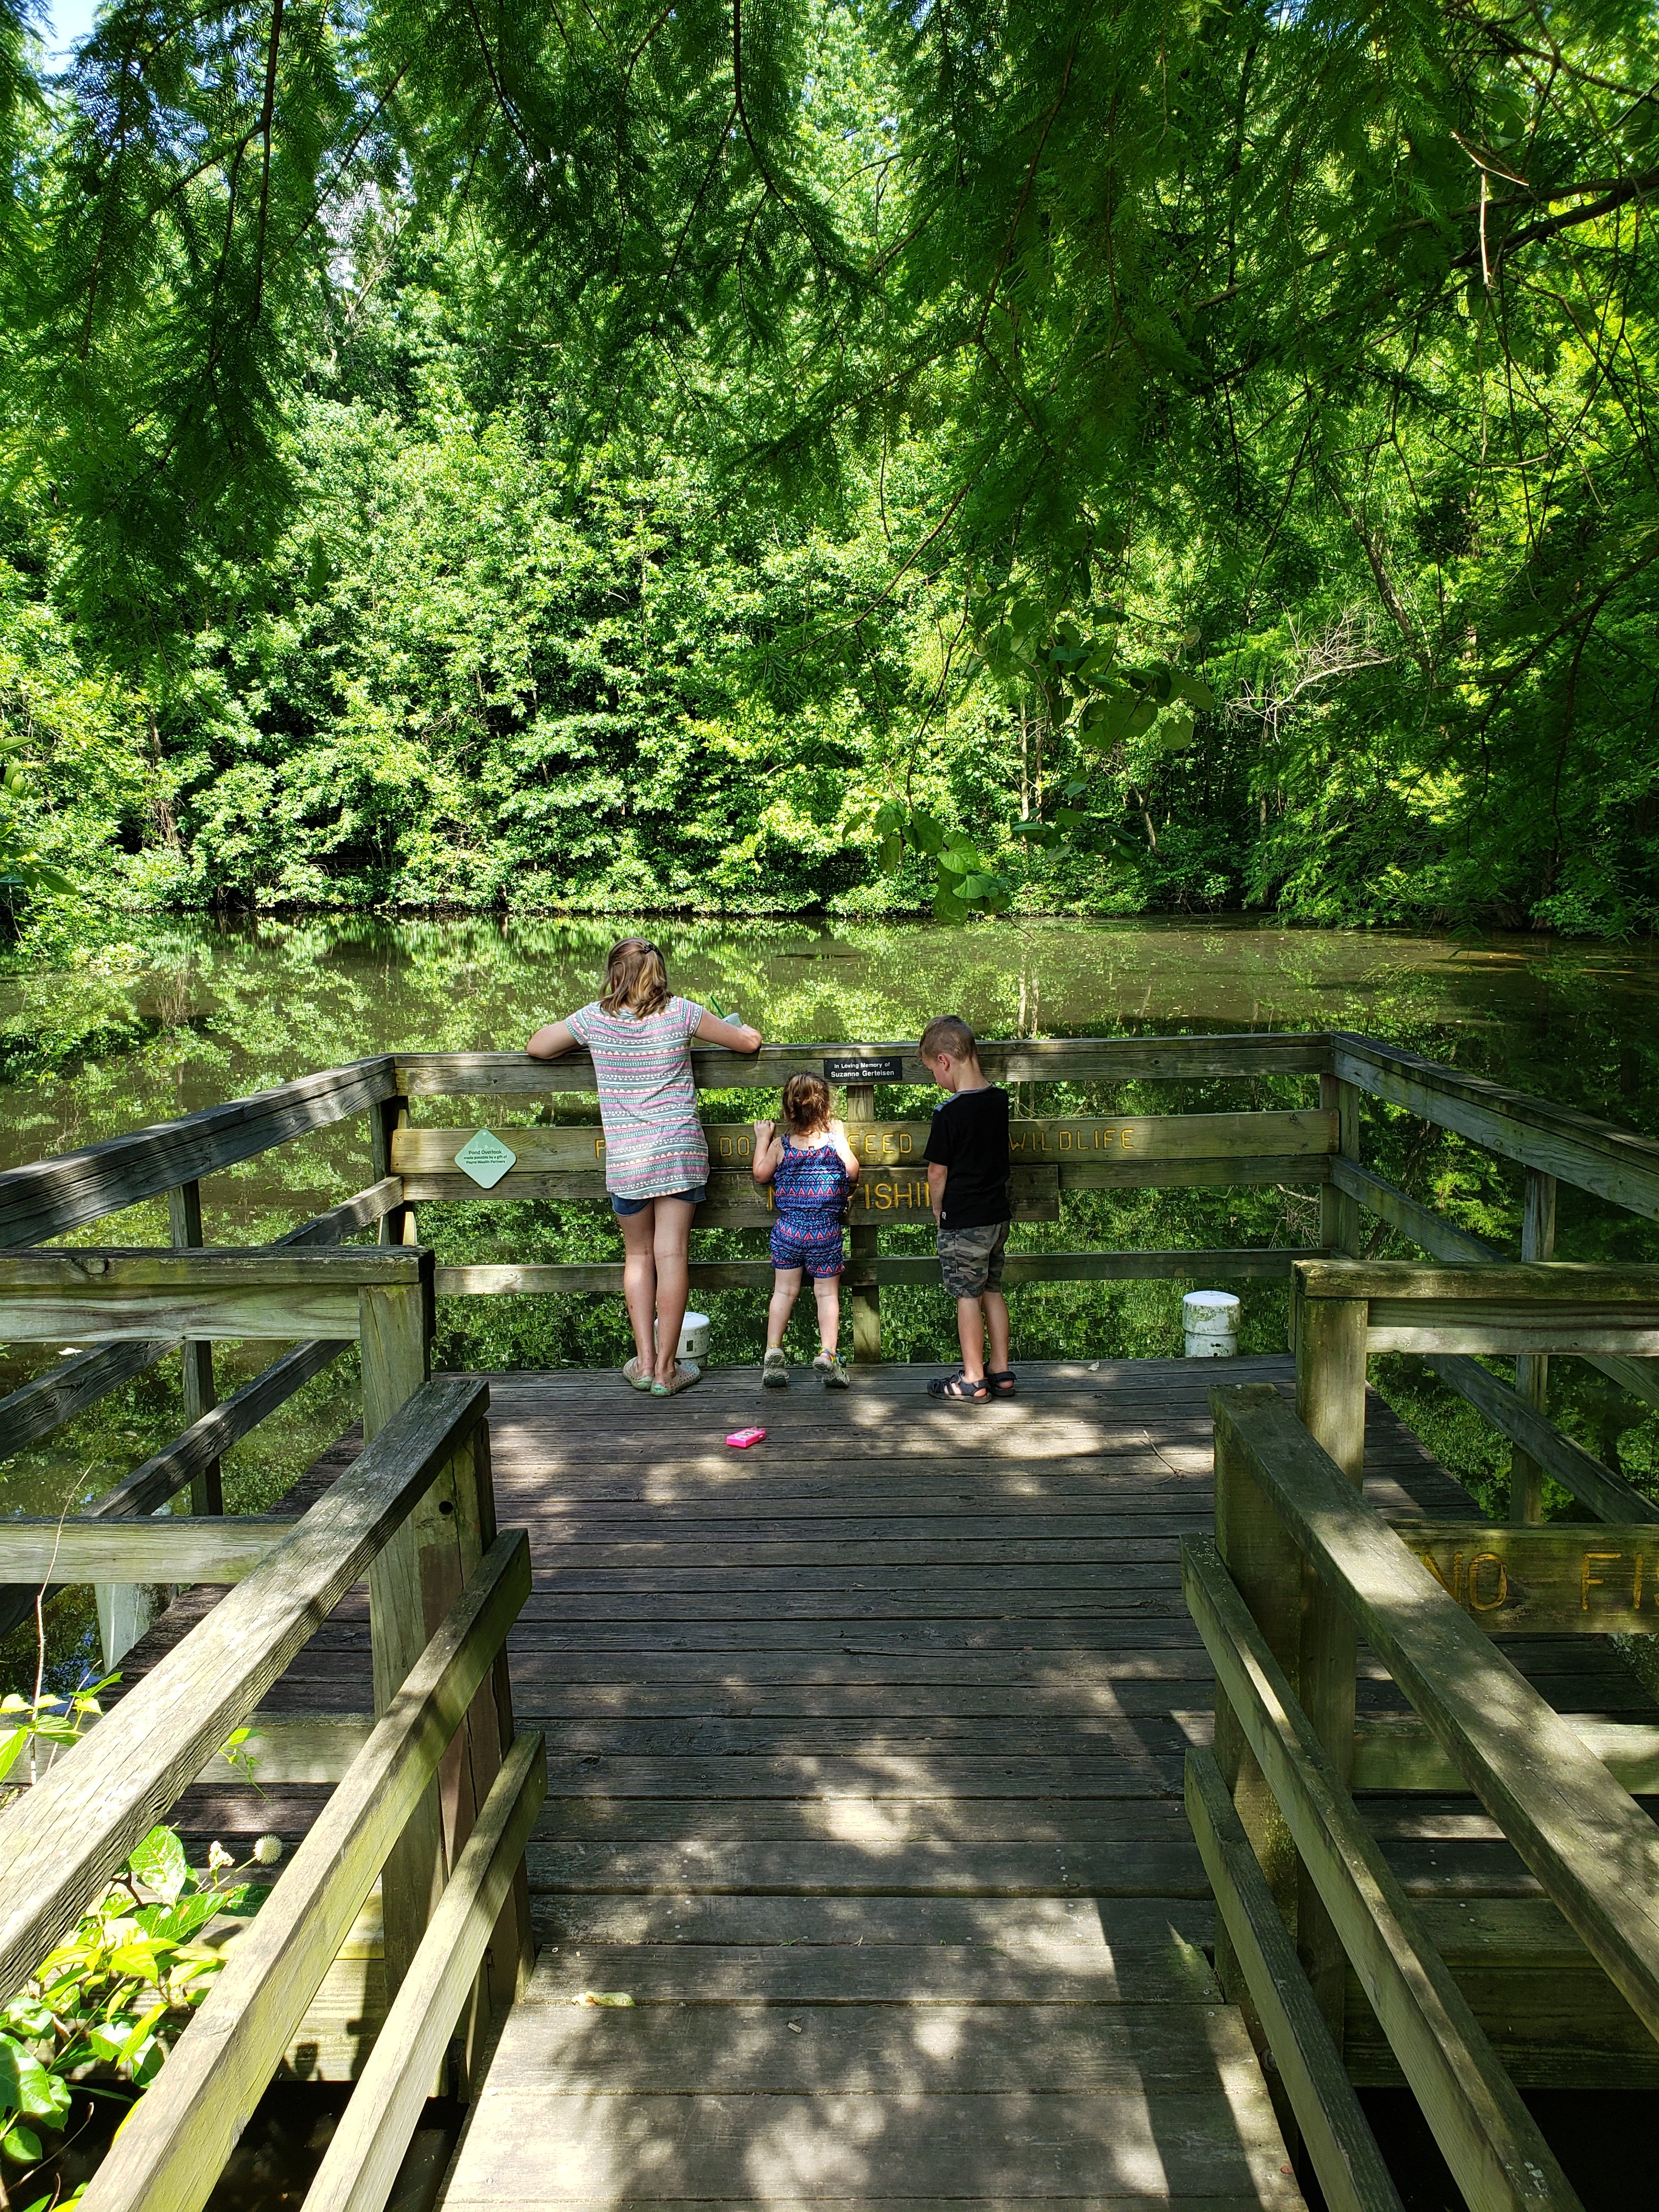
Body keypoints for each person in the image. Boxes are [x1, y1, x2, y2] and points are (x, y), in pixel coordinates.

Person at [526, 939, 761, 1395]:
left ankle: (646, 1363)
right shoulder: (683, 1013)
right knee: (671, 1255)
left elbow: (538, 1046)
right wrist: (744, 1027)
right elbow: (748, 1043)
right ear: (659, 972)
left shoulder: (594, 1018)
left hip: (629, 1158)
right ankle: (670, 1371)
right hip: (677, 1151)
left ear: (616, 974)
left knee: (638, 1256)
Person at [919, 1014, 1014, 1401]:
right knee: (992, 1288)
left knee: (966, 1294)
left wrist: (937, 1211)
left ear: (945, 1060)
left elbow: (937, 1173)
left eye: (931, 1071)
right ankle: (1001, 1371)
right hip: (997, 1216)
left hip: (963, 1221)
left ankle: (973, 1379)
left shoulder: (949, 1113)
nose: (935, 1080)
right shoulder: (998, 1100)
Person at [751, 1075, 860, 1390]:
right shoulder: (833, 1141)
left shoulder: (781, 1146)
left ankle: (774, 1350)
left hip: (788, 1230)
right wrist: (841, 1136)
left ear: (788, 1111)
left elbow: (760, 1174)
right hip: (824, 1231)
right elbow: (853, 1170)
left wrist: (762, 1138)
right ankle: (828, 1354)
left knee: (784, 1292)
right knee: (826, 1293)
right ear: (826, 1109)